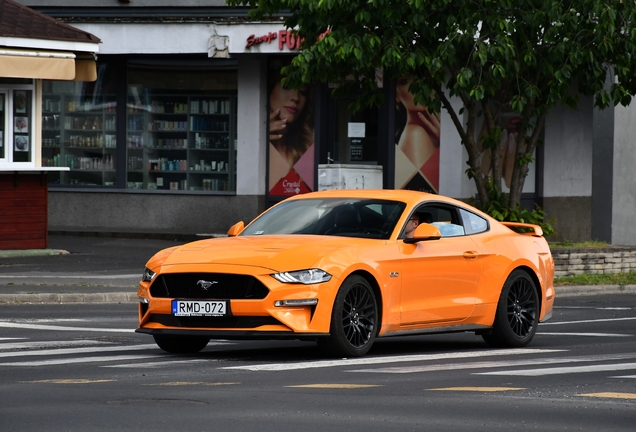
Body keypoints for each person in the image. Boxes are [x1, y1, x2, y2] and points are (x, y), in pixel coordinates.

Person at [267, 64, 315, 194]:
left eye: (303, 92)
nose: (296, 98)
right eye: (287, 87)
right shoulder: (256, 143)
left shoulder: (308, 146)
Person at [395, 77, 441, 192]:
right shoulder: (415, 134)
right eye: (405, 80)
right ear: (397, 95)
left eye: (423, 77)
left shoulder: (426, 134)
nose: (419, 86)